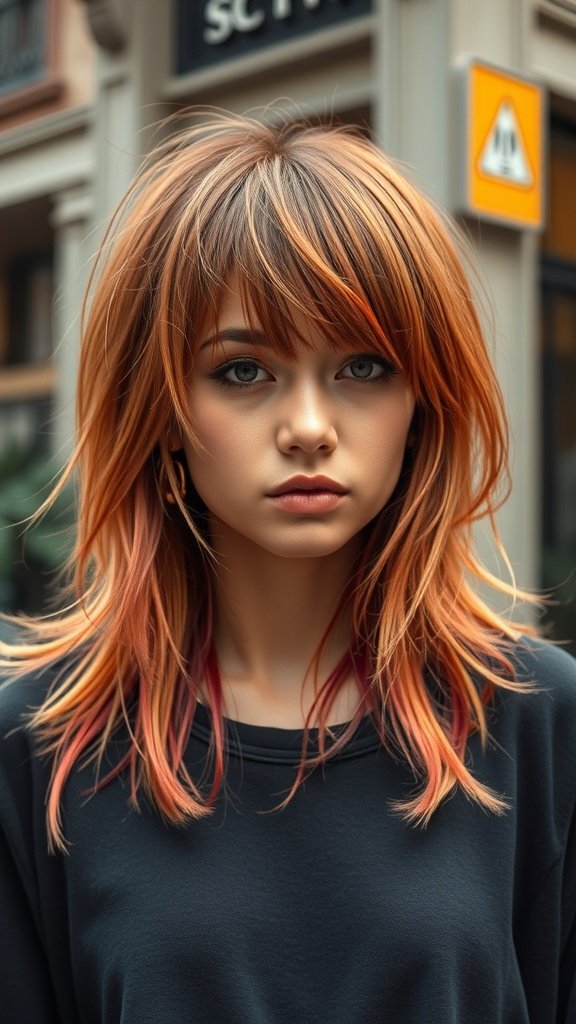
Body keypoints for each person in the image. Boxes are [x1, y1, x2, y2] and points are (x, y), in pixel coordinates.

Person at [0, 109, 574, 1024]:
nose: (309, 424)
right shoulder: (38, 745)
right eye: (242, 371)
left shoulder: (541, 721)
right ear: (162, 412)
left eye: (362, 366)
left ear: (423, 400)